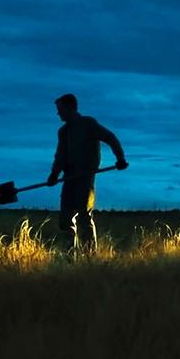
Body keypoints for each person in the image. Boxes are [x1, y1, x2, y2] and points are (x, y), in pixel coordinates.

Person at [47, 93, 127, 253]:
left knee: (84, 217)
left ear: (70, 108)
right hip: (69, 179)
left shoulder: (88, 124)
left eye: (60, 109)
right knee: (65, 220)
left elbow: (110, 137)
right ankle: (69, 255)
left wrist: (120, 158)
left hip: (85, 178)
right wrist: (54, 174)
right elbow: (60, 155)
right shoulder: (63, 132)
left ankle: (90, 256)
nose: (58, 113)